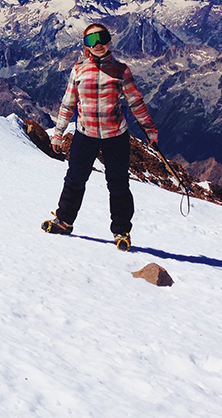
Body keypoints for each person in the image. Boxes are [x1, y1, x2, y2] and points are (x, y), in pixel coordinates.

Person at [41, 23, 158, 251]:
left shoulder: (121, 70)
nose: (98, 44)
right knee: (74, 179)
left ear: (109, 40)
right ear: (85, 46)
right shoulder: (78, 70)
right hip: (85, 135)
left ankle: (122, 231)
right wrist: (58, 134)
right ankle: (64, 221)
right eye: (91, 40)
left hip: (116, 136)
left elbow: (135, 101)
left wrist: (150, 129)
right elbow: (68, 103)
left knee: (118, 184)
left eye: (102, 38)